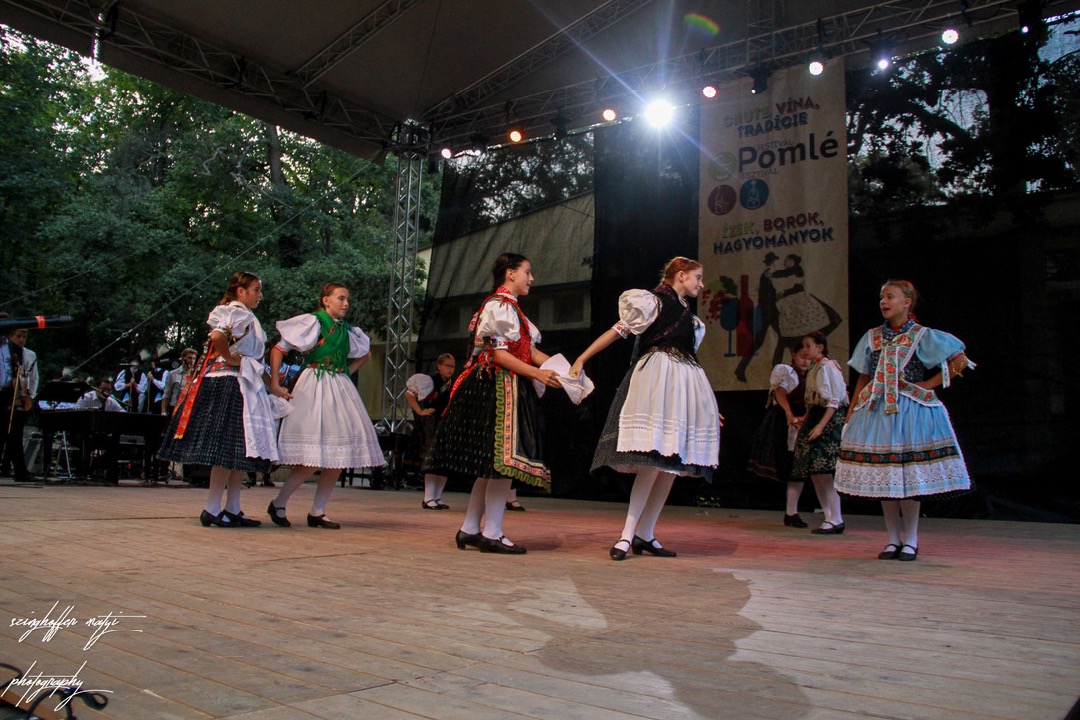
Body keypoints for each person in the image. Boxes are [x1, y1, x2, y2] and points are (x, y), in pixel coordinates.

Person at [569, 257, 723, 560]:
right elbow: (617, 331)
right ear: (681, 275)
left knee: (672, 466)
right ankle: (626, 535)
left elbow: (691, 363)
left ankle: (646, 533)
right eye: (698, 277)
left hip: (682, 386)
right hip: (657, 380)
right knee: (653, 462)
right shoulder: (651, 302)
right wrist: (582, 358)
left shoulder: (693, 322)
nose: (701, 284)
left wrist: (705, 407)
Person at [424, 253, 561, 554]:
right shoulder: (498, 306)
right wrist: (538, 373)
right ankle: (492, 533)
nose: (531, 278)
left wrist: (564, 371)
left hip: (507, 385)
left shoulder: (513, 310)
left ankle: (470, 529)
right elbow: (499, 355)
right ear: (510, 274)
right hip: (497, 387)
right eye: (527, 271)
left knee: (492, 466)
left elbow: (529, 351)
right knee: (501, 464)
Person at [835, 280, 974, 561]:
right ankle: (892, 539)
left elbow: (959, 361)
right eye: (882, 297)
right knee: (887, 478)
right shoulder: (873, 336)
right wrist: (851, 413)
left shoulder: (921, 335)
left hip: (909, 412)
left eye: (890, 297)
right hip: (877, 412)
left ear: (907, 302)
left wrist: (928, 384)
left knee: (908, 478)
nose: (883, 302)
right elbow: (864, 376)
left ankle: (910, 540)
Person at [158, 271, 281, 527]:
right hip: (231, 383)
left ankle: (232, 507)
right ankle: (212, 507)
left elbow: (251, 360)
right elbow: (217, 336)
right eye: (256, 290)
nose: (260, 295)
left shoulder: (244, 315)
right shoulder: (237, 312)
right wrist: (229, 358)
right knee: (227, 448)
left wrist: (273, 386)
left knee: (238, 450)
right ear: (241, 291)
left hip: (241, 382)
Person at [266, 283, 385, 529]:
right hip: (314, 385)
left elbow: (366, 354)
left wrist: (346, 372)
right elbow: (278, 349)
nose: (346, 303)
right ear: (325, 300)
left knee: (338, 455)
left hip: (339, 387)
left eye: (347, 299)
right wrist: (275, 384)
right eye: (341, 298)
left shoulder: (348, 330)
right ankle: (279, 502)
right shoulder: (313, 322)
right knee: (311, 460)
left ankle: (318, 511)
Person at [790, 331, 849, 535]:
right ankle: (829, 517)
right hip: (817, 415)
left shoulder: (827, 367)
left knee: (823, 471)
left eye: (809, 346)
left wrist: (820, 426)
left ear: (820, 348)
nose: (805, 350)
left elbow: (834, 401)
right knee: (816, 472)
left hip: (828, 418)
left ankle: (836, 517)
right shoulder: (815, 367)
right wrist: (806, 419)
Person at [747, 343, 811, 527]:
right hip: (783, 422)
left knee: (798, 469)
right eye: (802, 357)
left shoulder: (814, 375)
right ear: (793, 355)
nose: (805, 361)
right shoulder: (786, 371)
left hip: (802, 422)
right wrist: (789, 414)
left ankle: (792, 512)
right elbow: (779, 392)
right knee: (789, 466)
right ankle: (791, 512)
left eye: (808, 358)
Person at [405, 352, 456, 510]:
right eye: (447, 366)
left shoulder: (453, 383)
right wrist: (420, 411)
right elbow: (409, 394)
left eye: (453, 366)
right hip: (432, 423)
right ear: (439, 366)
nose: (450, 369)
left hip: (446, 423)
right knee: (432, 459)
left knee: (444, 461)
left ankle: (437, 496)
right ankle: (428, 497)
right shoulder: (430, 381)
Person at [0, 327, 39, 482]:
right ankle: (13, 469)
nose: (21, 340)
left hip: (20, 398)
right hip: (3, 396)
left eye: (24, 337)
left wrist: (30, 396)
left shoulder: (30, 355)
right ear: (11, 336)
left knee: (16, 435)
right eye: (18, 336)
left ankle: (20, 471)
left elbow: (34, 378)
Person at [163, 348, 198, 417]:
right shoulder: (172, 374)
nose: (192, 361)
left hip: (190, 411)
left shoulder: (197, 375)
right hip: (175, 408)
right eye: (189, 358)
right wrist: (163, 412)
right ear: (183, 359)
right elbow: (167, 394)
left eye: (194, 358)